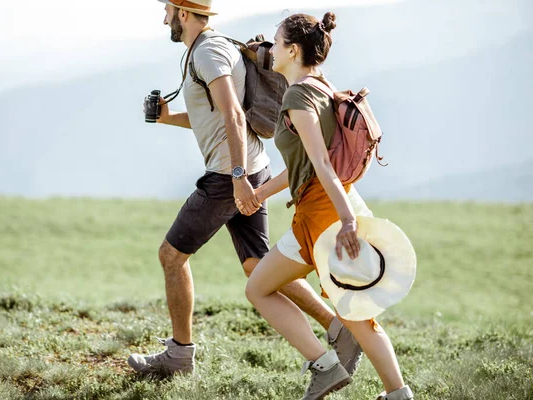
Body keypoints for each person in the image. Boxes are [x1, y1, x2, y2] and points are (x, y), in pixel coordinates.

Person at [127, 0, 363, 380]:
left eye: (168, 10)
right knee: (257, 265)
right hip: (252, 168)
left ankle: (179, 356)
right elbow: (218, 118)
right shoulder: (206, 50)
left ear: (182, 13)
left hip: (228, 176)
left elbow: (234, 113)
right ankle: (339, 329)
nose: (164, 18)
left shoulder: (207, 52)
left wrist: (236, 177)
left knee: (171, 255)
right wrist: (169, 118)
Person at [241, 11, 414, 400]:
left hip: (327, 215)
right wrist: (259, 195)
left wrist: (348, 221)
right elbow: (303, 164)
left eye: (275, 40)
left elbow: (321, 163)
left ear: (291, 49)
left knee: (357, 316)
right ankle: (329, 367)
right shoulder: (320, 87)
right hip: (317, 210)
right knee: (260, 287)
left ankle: (387, 390)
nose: (269, 47)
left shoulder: (298, 95)